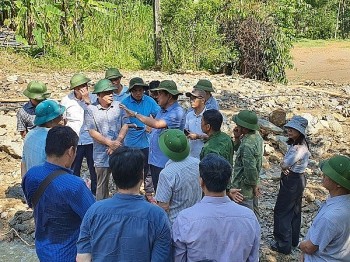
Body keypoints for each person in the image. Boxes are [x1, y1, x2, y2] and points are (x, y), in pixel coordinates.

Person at [76, 147, 172, 262]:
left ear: (114, 176)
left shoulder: (94, 211)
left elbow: (82, 258)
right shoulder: (158, 216)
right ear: (142, 174)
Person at [22, 126, 95, 262]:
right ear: (71, 151)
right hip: (69, 254)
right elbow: (94, 219)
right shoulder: (75, 185)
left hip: (43, 250)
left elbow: (32, 202)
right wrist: (86, 192)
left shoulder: (31, 174)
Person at [172, 153, 260, 262]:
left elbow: (178, 258)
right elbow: (253, 257)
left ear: (201, 182)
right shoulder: (249, 217)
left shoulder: (185, 219)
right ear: (228, 181)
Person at [120, 80, 185, 191]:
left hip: (166, 162)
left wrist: (135, 114)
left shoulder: (176, 112)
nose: (157, 96)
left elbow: (157, 124)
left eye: (160, 93)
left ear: (168, 96)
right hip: (156, 159)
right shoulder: (163, 109)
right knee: (157, 190)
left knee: (165, 194)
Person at [271, 116, 311, 255]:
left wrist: (283, 165)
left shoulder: (298, 148)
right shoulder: (299, 145)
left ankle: (283, 244)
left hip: (292, 180)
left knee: (282, 211)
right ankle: (293, 240)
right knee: (294, 210)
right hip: (298, 179)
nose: (289, 131)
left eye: (293, 129)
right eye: (289, 128)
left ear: (299, 132)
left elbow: (285, 164)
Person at [299, 155, 350, 261]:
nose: (323, 175)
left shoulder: (331, 216)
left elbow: (310, 247)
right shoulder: (341, 201)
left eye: (327, 174)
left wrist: (301, 246)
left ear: (338, 184)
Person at [85, 79, 128, 200]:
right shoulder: (90, 110)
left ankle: (121, 207)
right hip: (101, 154)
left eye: (112, 92)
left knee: (122, 183)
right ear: (99, 95)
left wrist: (117, 142)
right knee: (102, 185)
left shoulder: (119, 106)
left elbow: (125, 125)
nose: (111, 95)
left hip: (119, 151)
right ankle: (101, 209)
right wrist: (109, 143)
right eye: (107, 92)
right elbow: (92, 132)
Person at [122, 77, 160, 199]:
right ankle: (132, 191)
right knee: (132, 168)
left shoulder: (149, 101)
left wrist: (152, 125)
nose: (138, 93)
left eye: (140, 90)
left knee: (148, 169)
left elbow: (159, 115)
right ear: (131, 91)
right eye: (135, 90)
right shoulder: (124, 103)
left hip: (146, 142)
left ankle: (148, 193)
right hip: (131, 142)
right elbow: (121, 122)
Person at [61, 73, 97, 195]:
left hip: (91, 139)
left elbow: (98, 116)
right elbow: (63, 120)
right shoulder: (66, 100)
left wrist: (88, 101)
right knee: (73, 167)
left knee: (94, 168)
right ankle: (73, 192)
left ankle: (94, 192)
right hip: (74, 140)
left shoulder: (93, 98)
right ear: (75, 89)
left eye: (85, 86)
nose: (84, 89)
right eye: (80, 87)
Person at [155, 129, 202, 224]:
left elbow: (163, 206)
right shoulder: (198, 163)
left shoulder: (167, 174)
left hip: (176, 224)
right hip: (196, 219)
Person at [228, 110, 263, 218]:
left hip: (243, 189)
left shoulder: (247, 144)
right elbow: (240, 152)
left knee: (244, 218)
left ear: (245, 127)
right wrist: (237, 138)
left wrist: (253, 185)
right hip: (252, 184)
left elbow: (250, 169)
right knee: (254, 213)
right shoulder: (256, 136)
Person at [21, 99, 65, 177]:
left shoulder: (30, 134)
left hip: (31, 182)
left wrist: (25, 182)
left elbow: (23, 161)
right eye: (59, 116)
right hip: (46, 184)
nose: (62, 118)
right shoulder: (53, 138)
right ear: (51, 120)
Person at [184, 88, 207, 159]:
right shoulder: (189, 115)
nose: (191, 101)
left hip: (204, 155)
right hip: (190, 155)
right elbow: (186, 130)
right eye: (190, 98)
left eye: (194, 98)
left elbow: (214, 136)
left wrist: (198, 136)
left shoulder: (209, 116)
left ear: (203, 100)